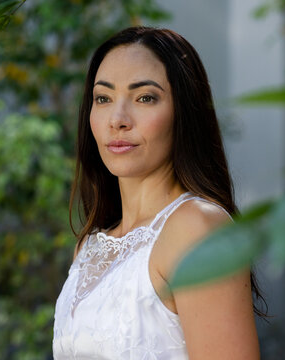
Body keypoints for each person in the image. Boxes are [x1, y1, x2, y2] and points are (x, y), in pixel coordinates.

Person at [53, 26, 262, 359]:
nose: (117, 119)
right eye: (103, 98)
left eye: (144, 98)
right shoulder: (89, 248)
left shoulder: (198, 229)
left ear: (184, 112)